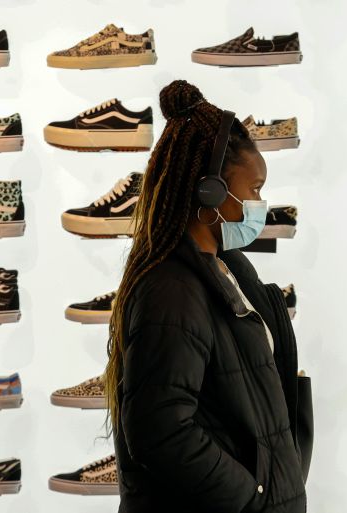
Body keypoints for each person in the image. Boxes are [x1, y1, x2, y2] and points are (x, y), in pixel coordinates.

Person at [104, 80, 308, 513]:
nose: (260, 204)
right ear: (210, 191)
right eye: (254, 189)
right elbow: (159, 429)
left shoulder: (226, 271)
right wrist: (250, 496)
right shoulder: (171, 291)